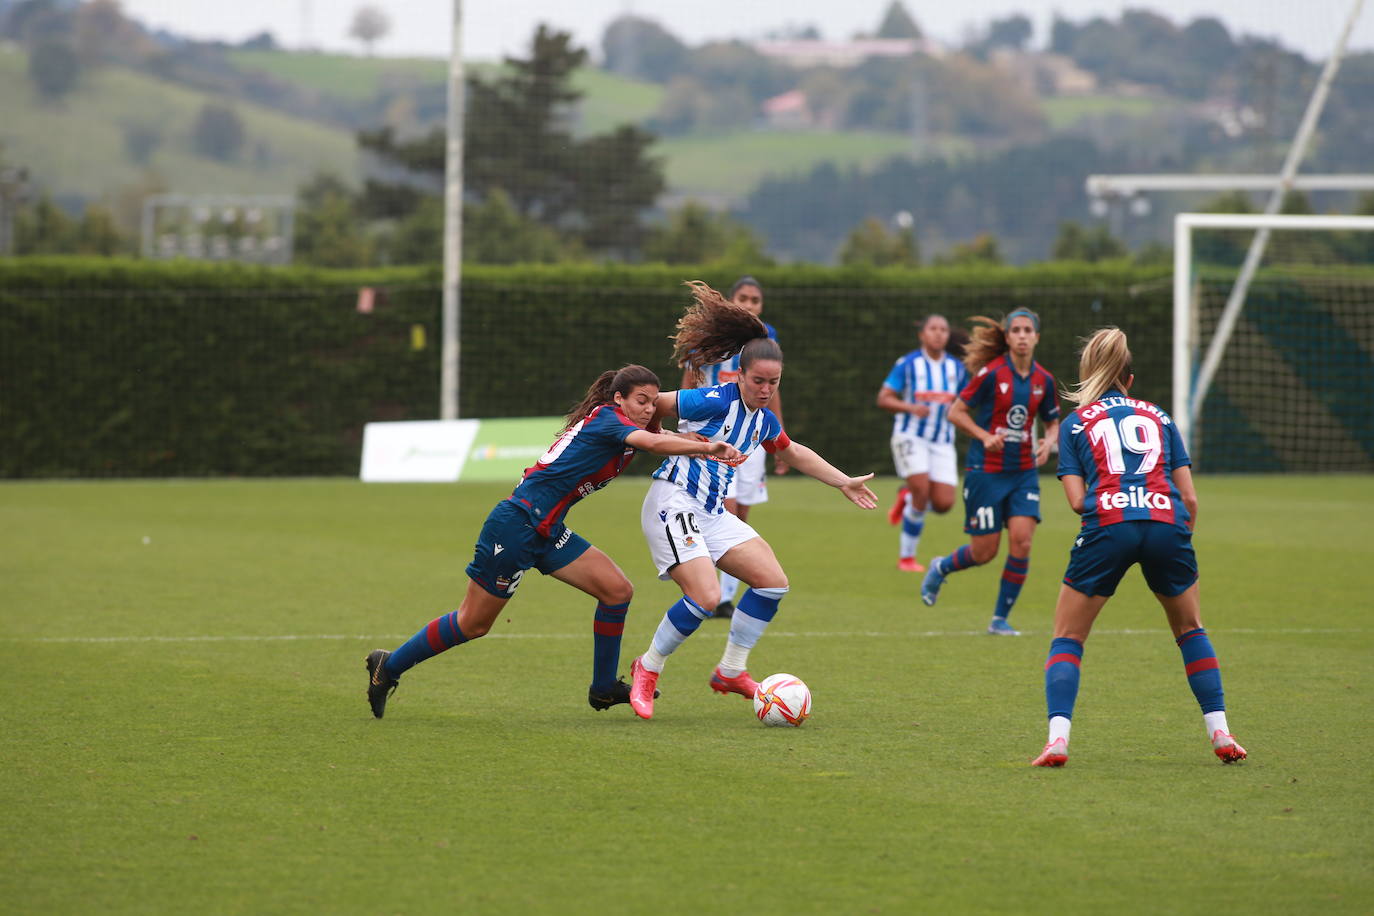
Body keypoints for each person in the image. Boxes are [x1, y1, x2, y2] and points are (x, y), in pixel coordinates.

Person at [363, 365, 742, 719]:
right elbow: (652, 443)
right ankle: (388, 665)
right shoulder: (610, 421)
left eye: (652, 401)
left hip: (547, 528)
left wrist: (686, 436)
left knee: (616, 590)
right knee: (473, 623)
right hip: (515, 526)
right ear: (618, 400)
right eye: (640, 400)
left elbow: (657, 436)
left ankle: (604, 686)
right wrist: (706, 447)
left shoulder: (624, 425)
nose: (648, 408)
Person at [628, 281, 878, 720]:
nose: (765, 389)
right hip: (674, 501)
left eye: (773, 383)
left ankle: (730, 671)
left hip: (709, 511)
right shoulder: (713, 399)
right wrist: (676, 438)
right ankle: (647, 669)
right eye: (758, 381)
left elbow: (793, 450)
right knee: (706, 597)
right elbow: (651, 406)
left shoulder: (761, 419)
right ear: (738, 375)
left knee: (772, 581)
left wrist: (843, 482)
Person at [1031, 327, 1246, 766]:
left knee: (1068, 636)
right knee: (1190, 629)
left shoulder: (1076, 423)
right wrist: (1177, 538)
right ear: (1129, 380)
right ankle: (1221, 732)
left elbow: (1076, 502)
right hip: (1166, 524)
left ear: (1089, 374)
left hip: (1109, 524)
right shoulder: (1160, 417)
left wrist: (1113, 501)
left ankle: (1057, 740)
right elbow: (1189, 498)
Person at [920, 309, 1060, 635]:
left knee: (1023, 543)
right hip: (986, 471)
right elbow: (956, 413)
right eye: (1017, 330)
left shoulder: (1045, 380)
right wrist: (984, 436)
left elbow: (1053, 420)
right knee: (985, 552)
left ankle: (999, 619)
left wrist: (1048, 441)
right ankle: (941, 566)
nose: (1023, 335)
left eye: (1028, 330)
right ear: (1008, 337)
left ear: (1037, 337)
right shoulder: (991, 374)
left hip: (1023, 472)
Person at [681, 275, 788, 618]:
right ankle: (710, 589)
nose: (751, 304)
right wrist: (678, 432)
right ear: (732, 299)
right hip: (713, 434)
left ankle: (725, 594)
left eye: (756, 300)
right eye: (744, 297)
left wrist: (780, 435)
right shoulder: (713, 336)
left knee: (741, 512)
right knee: (722, 506)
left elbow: (773, 390)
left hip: (751, 434)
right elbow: (689, 379)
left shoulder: (766, 338)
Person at [876, 314, 968, 573]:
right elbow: (884, 398)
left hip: (942, 441)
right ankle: (907, 558)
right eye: (933, 329)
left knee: (944, 504)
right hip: (910, 436)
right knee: (922, 489)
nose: (938, 333)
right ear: (922, 334)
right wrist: (908, 407)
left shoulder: (956, 368)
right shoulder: (908, 364)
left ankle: (907, 498)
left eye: (943, 329)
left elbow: (964, 402)